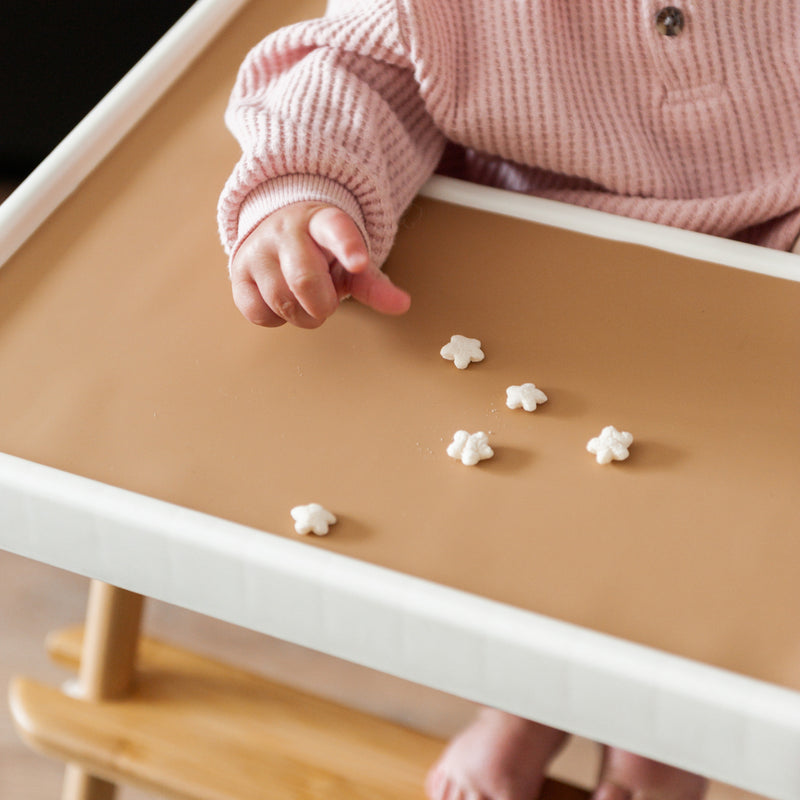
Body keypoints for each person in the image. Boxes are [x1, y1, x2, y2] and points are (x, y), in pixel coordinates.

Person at [218, 2, 800, 797]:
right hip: (544, 255)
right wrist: (304, 187)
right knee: (550, 502)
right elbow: (366, 74)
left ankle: (667, 725)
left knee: (733, 510)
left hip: (781, 241)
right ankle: (528, 698)